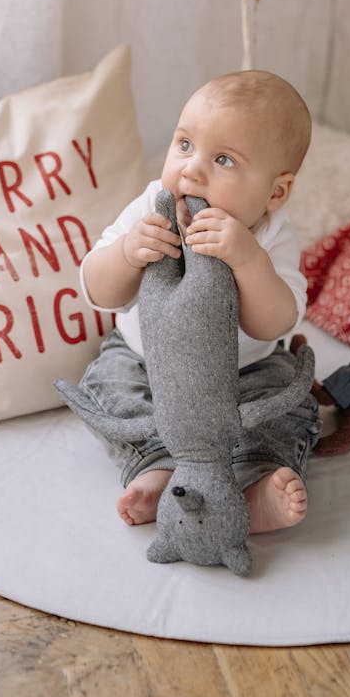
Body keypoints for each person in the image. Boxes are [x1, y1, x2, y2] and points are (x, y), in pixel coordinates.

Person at [75, 69, 320, 534]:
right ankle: (157, 468)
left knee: (285, 403)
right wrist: (128, 253)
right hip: (146, 362)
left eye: (224, 160)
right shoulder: (152, 208)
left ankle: (254, 485)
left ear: (275, 192)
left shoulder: (271, 234)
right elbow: (96, 290)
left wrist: (247, 260)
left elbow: (276, 323)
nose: (192, 169)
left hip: (244, 374)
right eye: (184, 145)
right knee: (109, 388)